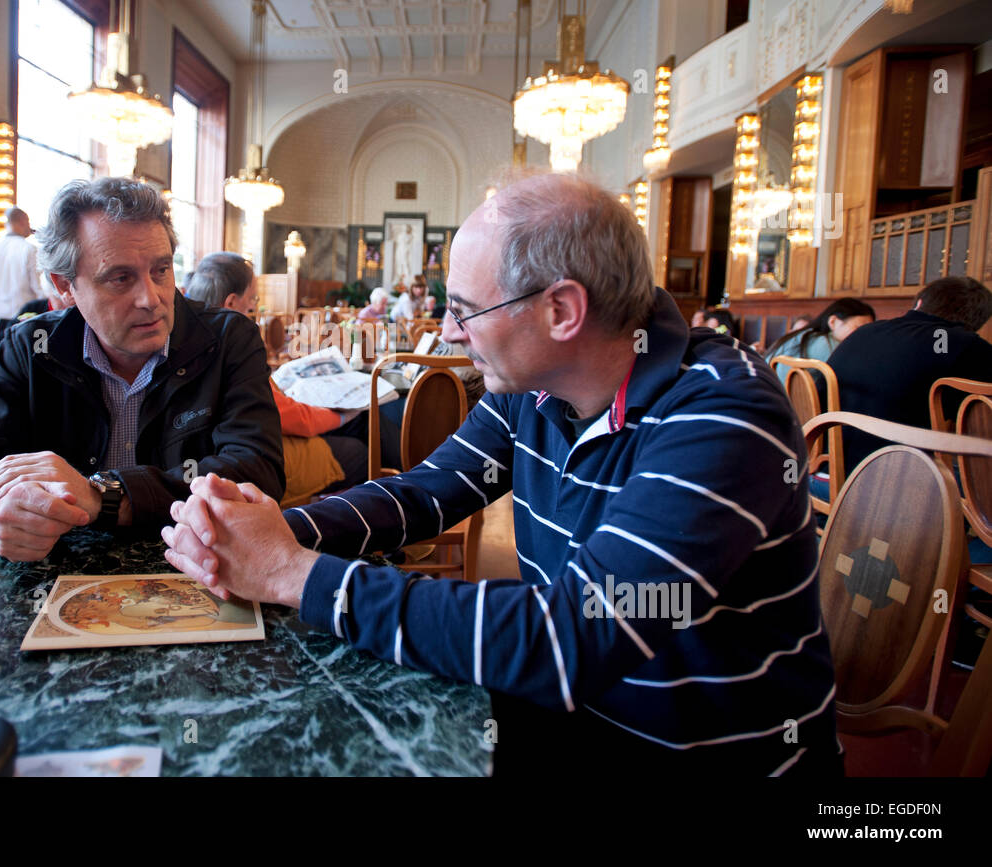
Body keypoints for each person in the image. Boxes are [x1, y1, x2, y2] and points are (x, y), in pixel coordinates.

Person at [163, 172, 839, 776]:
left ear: (562, 310)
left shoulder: (723, 413)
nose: (450, 333)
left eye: (464, 309)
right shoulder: (532, 390)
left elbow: (575, 634)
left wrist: (293, 573)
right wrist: (263, 529)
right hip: (579, 719)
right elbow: (421, 494)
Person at [0, 177, 285, 560]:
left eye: (161, 270)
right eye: (120, 278)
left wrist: (104, 496)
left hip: (191, 568)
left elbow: (257, 469)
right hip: (55, 581)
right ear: (65, 286)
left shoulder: (228, 339)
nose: (151, 299)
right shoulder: (33, 347)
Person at [185, 252, 368, 502]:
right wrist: (344, 413)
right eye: (253, 299)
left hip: (218, 457)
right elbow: (288, 417)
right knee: (359, 450)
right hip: (252, 460)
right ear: (230, 303)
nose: (254, 307)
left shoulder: (185, 334)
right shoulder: (228, 347)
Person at [829, 275, 992, 474]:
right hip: (898, 487)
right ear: (978, 322)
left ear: (919, 303)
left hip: (823, 473)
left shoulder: (865, 332)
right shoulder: (969, 348)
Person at [763, 298, 875, 383]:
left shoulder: (804, 336)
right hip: (796, 411)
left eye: (870, 331)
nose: (865, 336)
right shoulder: (827, 344)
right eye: (859, 329)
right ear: (833, 322)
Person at [0, 207, 43, 340]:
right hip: (23, 314)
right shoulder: (30, 250)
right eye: (28, 222)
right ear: (22, 222)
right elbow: (38, 287)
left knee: (0, 349)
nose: (29, 227)